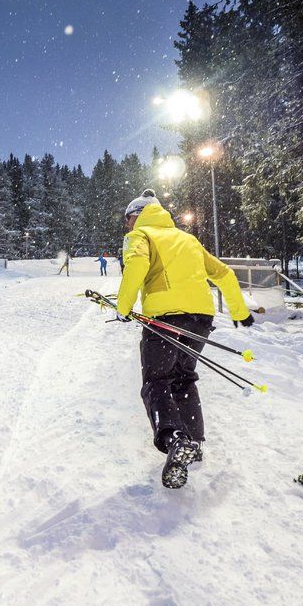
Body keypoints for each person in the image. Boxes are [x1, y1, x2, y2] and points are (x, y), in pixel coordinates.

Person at [115, 189, 253, 489]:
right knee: (183, 379)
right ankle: (194, 443)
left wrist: (123, 308)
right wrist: (239, 311)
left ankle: (174, 438)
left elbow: (136, 267)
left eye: (128, 220)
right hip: (201, 320)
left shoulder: (140, 237)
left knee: (157, 380)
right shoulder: (188, 239)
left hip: (164, 318)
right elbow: (224, 274)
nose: (127, 226)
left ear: (137, 215)